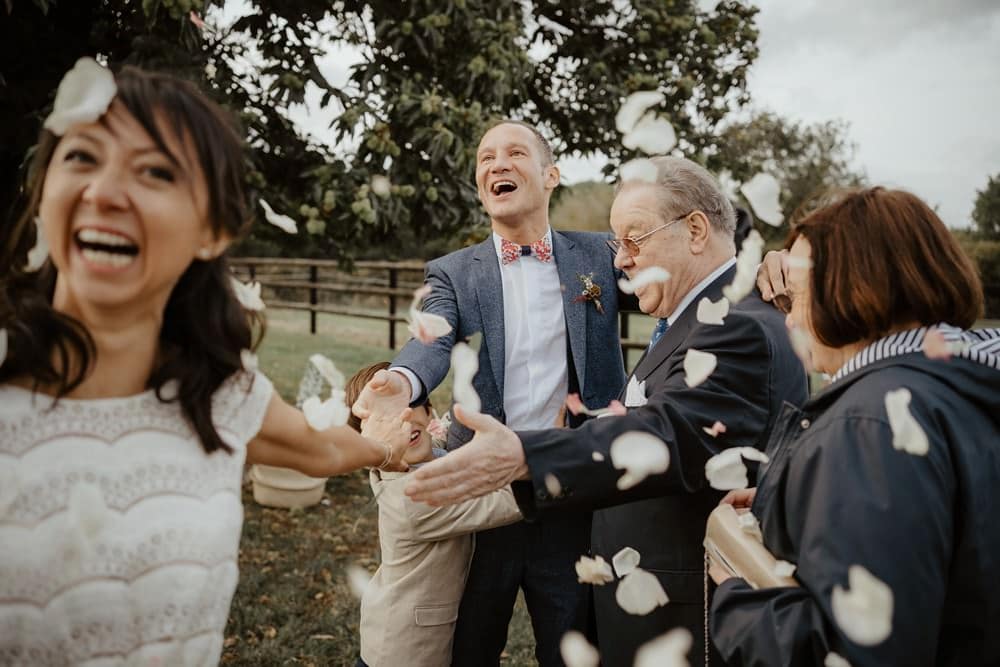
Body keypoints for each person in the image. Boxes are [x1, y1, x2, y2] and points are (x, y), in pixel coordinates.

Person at [0, 62, 411, 665]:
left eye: (156, 171)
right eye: (82, 158)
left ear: (212, 232)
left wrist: (388, 446)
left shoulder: (221, 390)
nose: (105, 192)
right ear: (43, 192)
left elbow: (320, 451)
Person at [405, 155, 809, 664]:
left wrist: (525, 455)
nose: (620, 260)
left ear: (697, 230)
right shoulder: (696, 319)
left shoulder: (736, 326)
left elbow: (670, 433)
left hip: (684, 615)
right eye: (619, 243)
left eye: (635, 238)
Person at [353, 120, 628, 666]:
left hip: (568, 487)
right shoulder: (453, 273)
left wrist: (755, 264)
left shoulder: (600, 256)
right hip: (477, 491)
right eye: (485, 159)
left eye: (514, 153)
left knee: (573, 645)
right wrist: (402, 382)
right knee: (471, 646)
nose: (496, 165)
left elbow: (681, 272)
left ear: (551, 176)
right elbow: (430, 339)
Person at [708, 187, 1000, 666]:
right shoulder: (961, 384)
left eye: (797, 296)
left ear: (851, 288)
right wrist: (792, 499)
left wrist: (739, 604)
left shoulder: (873, 422)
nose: (790, 320)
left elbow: (856, 651)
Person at [345, 363, 522, 667]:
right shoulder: (415, 498)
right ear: (369, 446)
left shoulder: (429, 456)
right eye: (384, 419)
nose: (402, 421)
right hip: (406, 651)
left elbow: (440, 450)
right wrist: (544, 449)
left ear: (429, 411)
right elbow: (508, 502)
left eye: (407, 406)